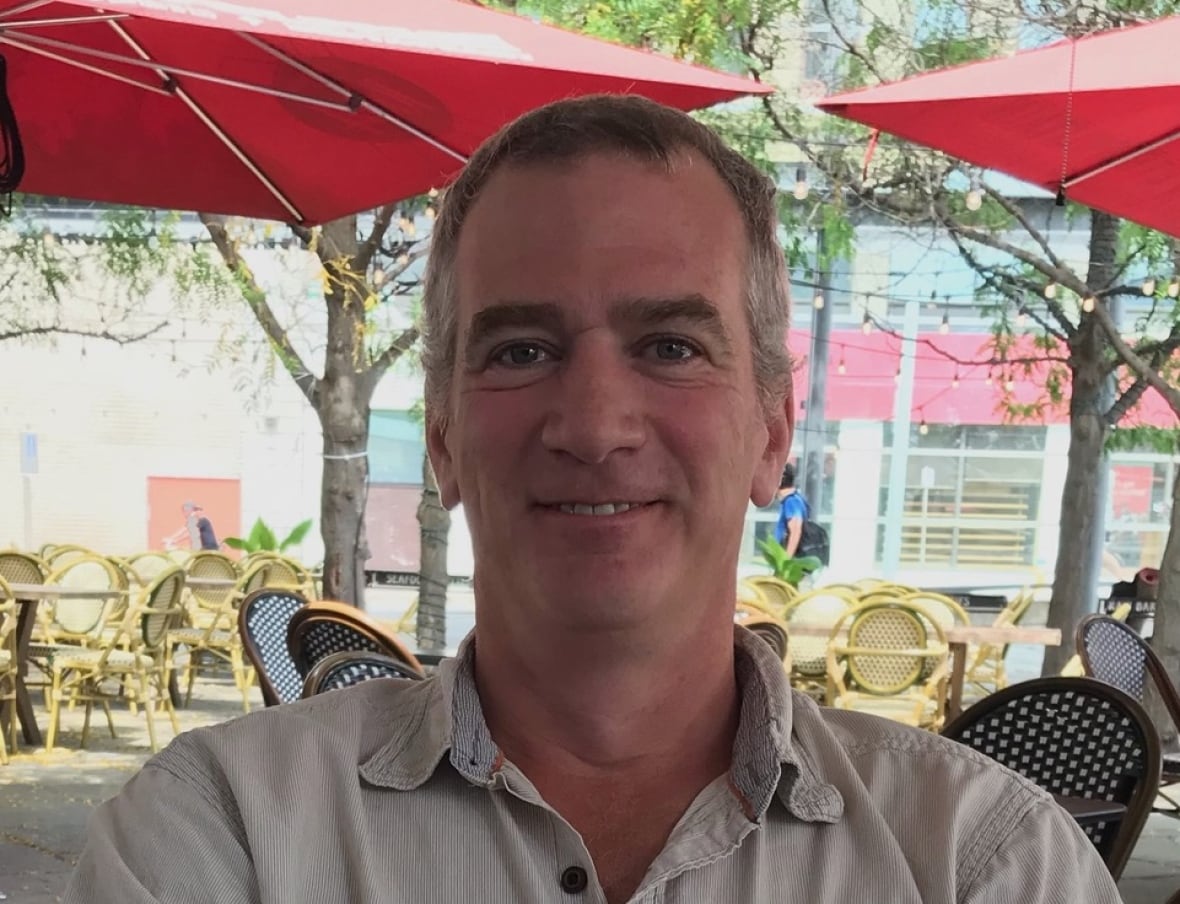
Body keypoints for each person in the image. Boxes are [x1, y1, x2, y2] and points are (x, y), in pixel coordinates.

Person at [65, 96, 1121, 903]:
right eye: (521, 351)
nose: (594, 423)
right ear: (442, 436)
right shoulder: (220, 838)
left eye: (670, 346)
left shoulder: (986, 863)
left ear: (774, 430)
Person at [773, 462, 807, 555]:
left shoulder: (791, 502)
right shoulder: (794, 499)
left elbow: (795, 530)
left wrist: (786, 562)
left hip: (790, 562)